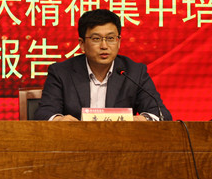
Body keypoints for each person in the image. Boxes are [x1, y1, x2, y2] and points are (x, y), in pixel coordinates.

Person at [33, 9, 171, 121]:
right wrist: (59, 120)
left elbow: (161, 114)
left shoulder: (134, 72)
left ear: (118, 42)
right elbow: (44, 113)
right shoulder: (61, 72)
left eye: (110, 38)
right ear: (82, 44)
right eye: (96, 39)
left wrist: (140, 120)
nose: (104, 46)